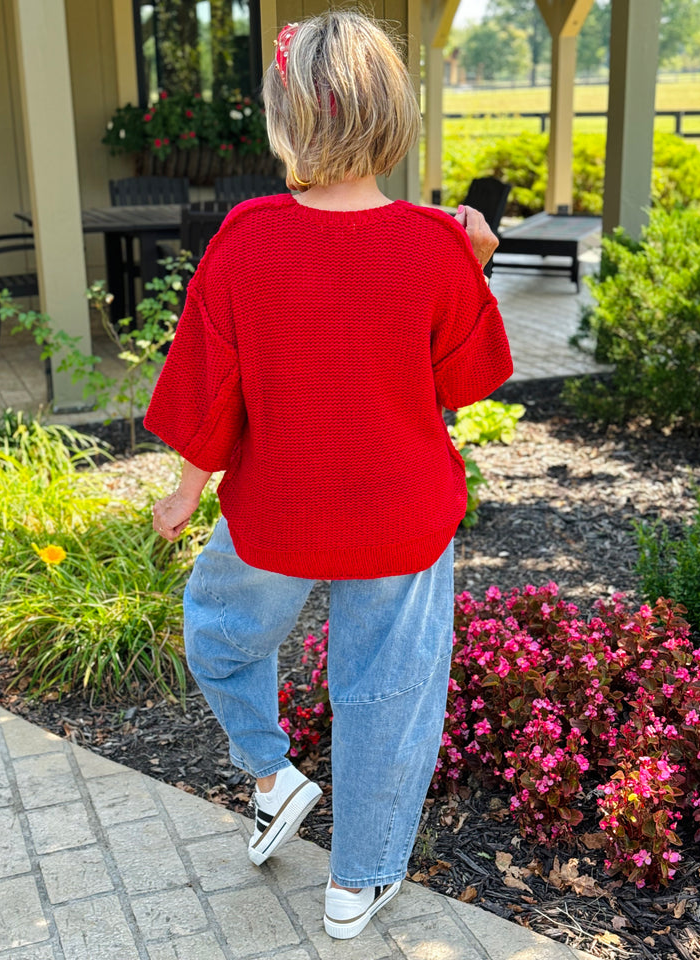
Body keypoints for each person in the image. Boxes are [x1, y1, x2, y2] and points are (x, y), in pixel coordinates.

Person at [144, 9, 512, 940]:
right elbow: (467, 382)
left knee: (220, 636)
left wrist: (186, 492)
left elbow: (206, 382)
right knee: (385, 694)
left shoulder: (247, 236)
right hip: (401, 516)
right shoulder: (434, 241)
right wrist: (476, 265)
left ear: (286, 116)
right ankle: (360, 882)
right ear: (393, 114)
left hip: (277, 512)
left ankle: (274, 776)